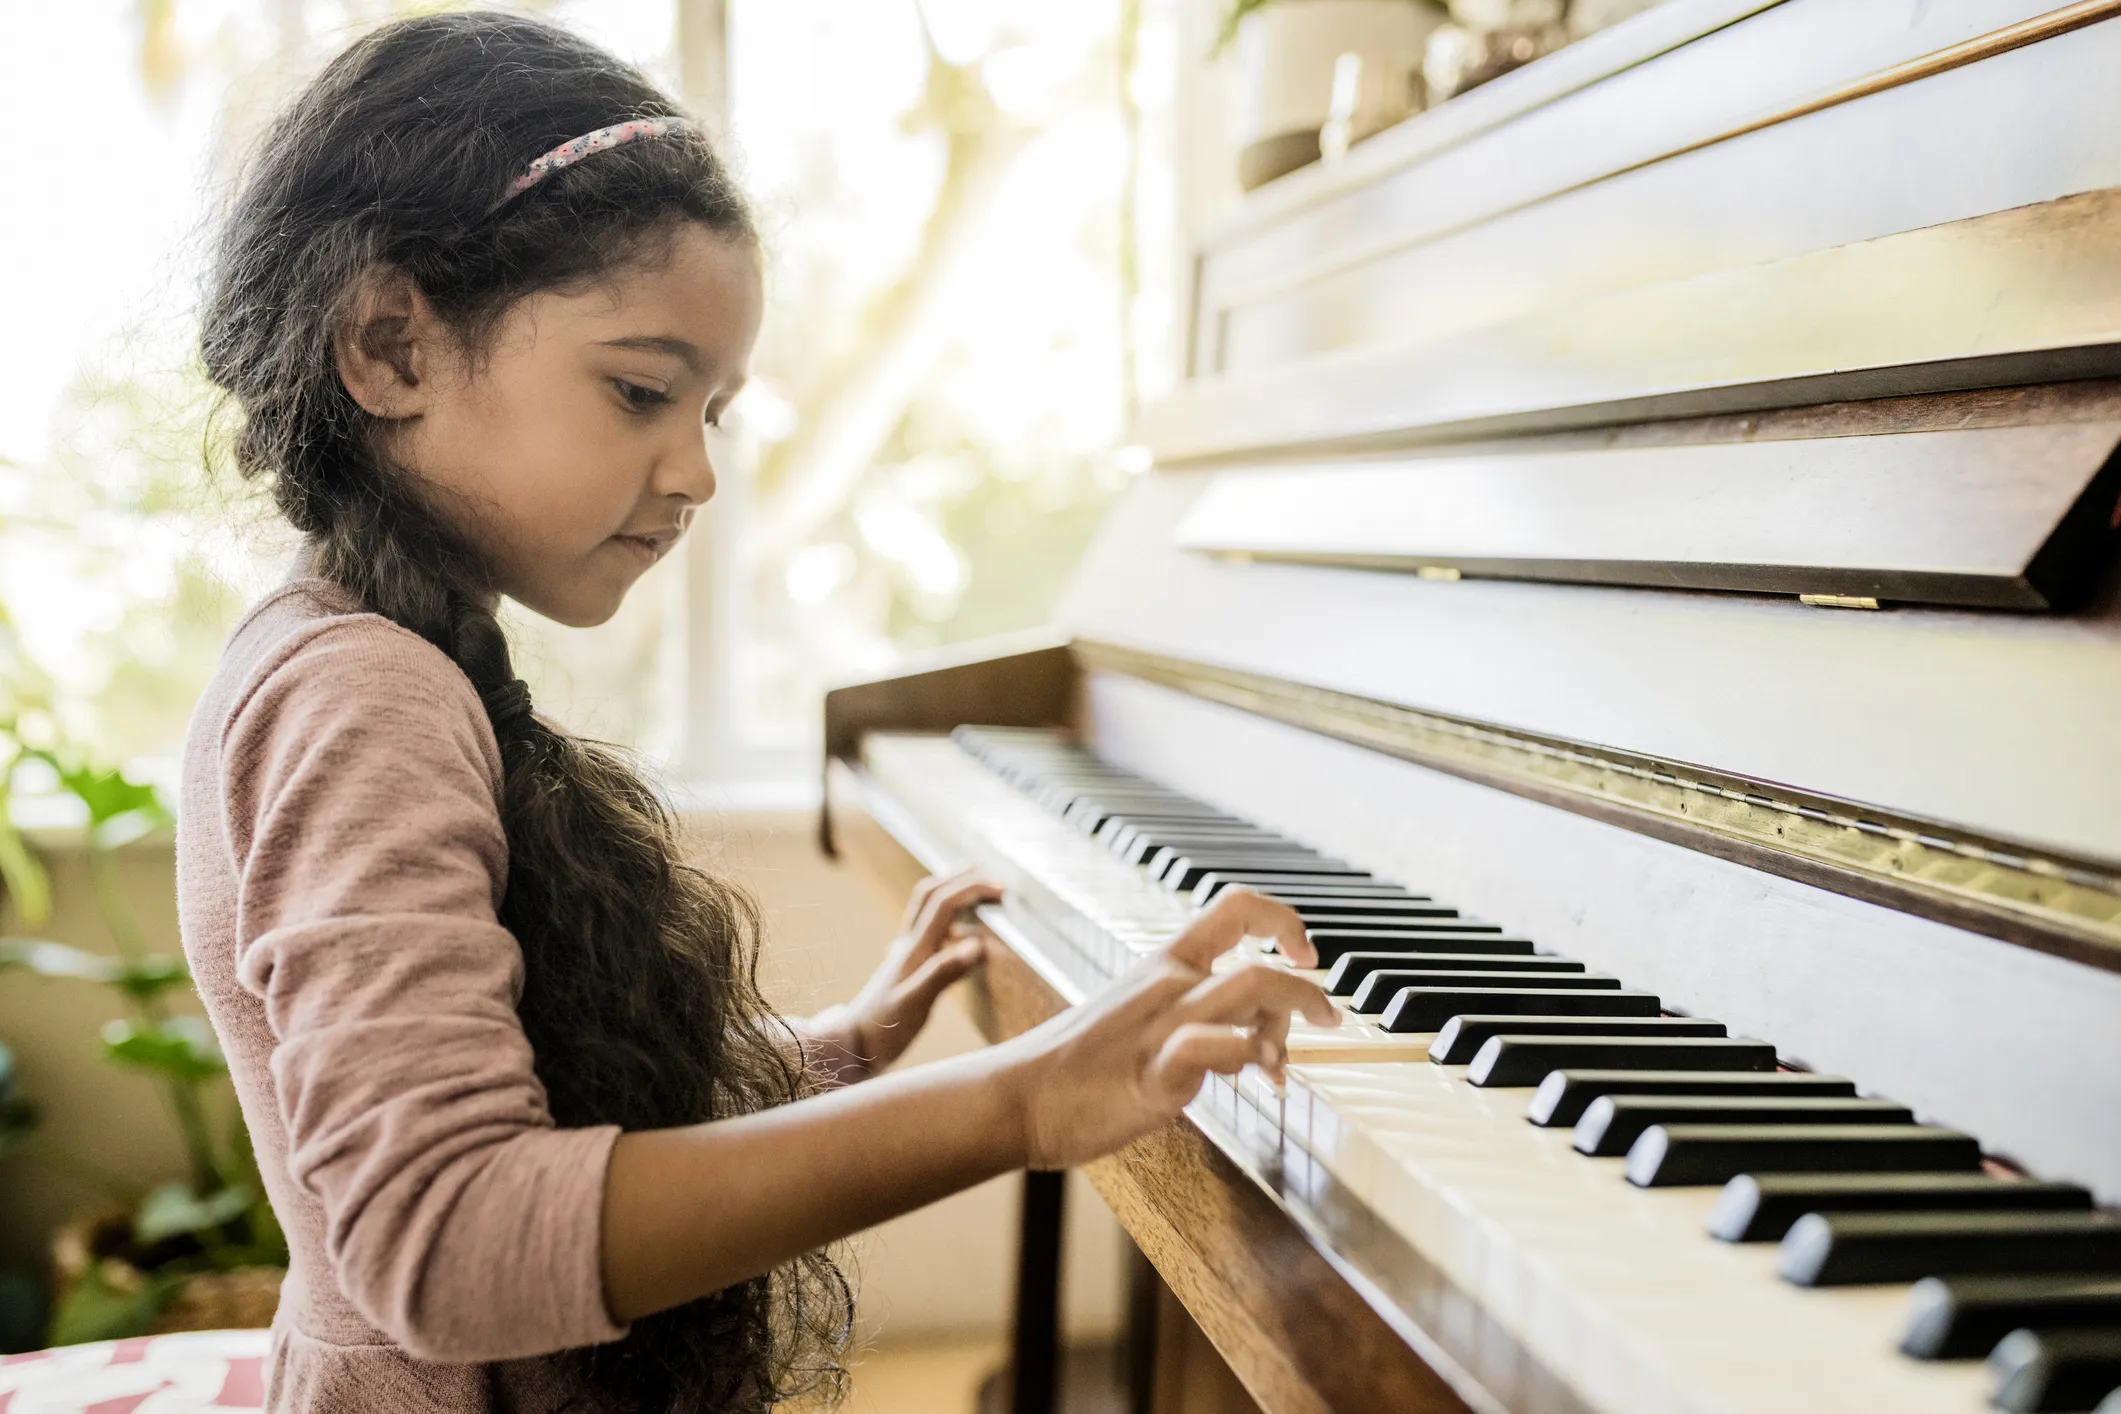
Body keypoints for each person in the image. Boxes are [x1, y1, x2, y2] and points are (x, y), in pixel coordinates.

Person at [179, 13, 1334, 1413]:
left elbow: (547, 1105)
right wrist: (1019, 1101)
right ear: (388, 346)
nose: (699, 471)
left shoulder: (381, 656)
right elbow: (450, 1239)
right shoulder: (363, 697)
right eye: (644, 390)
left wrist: (839, 1043)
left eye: (715, 408)